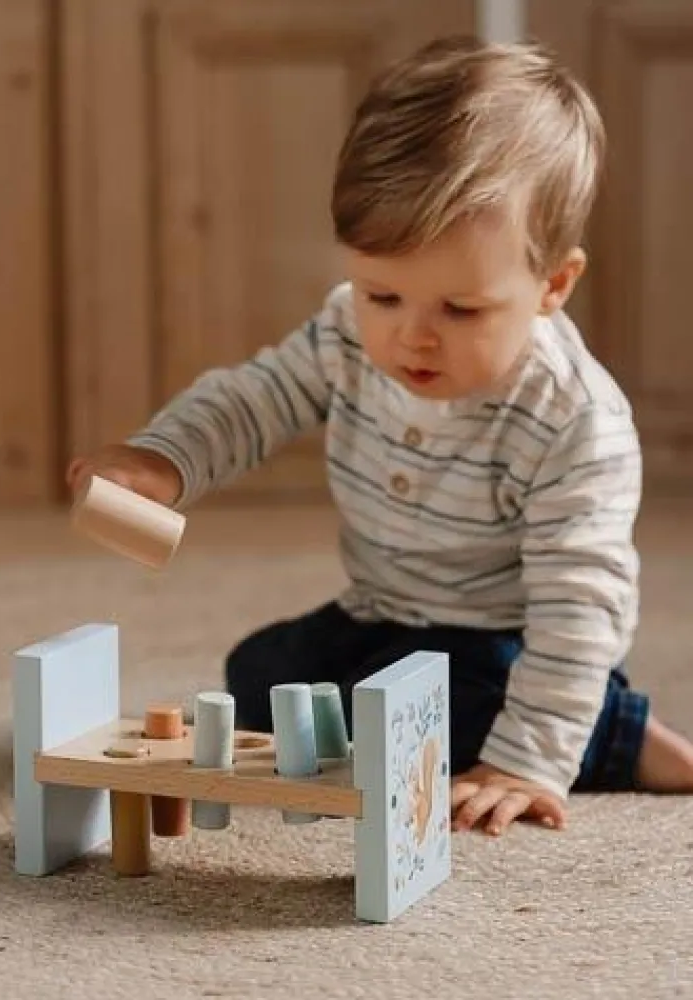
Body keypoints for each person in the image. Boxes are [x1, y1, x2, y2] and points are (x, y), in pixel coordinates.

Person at [66, 35, 693, 836]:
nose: (410, 338)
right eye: (381, 294)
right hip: (381, 609)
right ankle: (412, 701)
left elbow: (581, 608)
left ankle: (618, 735)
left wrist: (529, 759)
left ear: (554, 285)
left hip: (502, 641)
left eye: (459, 310)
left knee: (432, 720)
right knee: (263, 677)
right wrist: (163, 459)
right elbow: (254, 399)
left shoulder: (573, 423)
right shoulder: (348, 334)